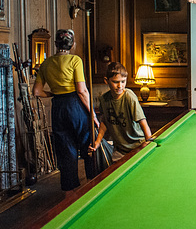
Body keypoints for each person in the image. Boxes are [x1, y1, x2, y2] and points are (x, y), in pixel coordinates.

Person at [32, 29, 97, 191]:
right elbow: (82, 91)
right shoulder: (75, 60)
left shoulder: (46, 63)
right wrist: (93, 115)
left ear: (55, 44)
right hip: (75, 104)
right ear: (73, 44)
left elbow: (37, 92)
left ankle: (70, 194)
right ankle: (93, 184)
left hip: (58, 108)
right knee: (87, 144)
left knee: (66, 151)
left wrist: (53, 92)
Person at [92, 62, 151, 161]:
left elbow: (142, 121)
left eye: (123, 81)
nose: (120, 86)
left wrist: (149, 141)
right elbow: (105, 122)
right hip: (119, 150)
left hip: (137, 146)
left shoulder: (129, 96)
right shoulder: (103, 99)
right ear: (106, 80)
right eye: (116, 82)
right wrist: (97, 142)